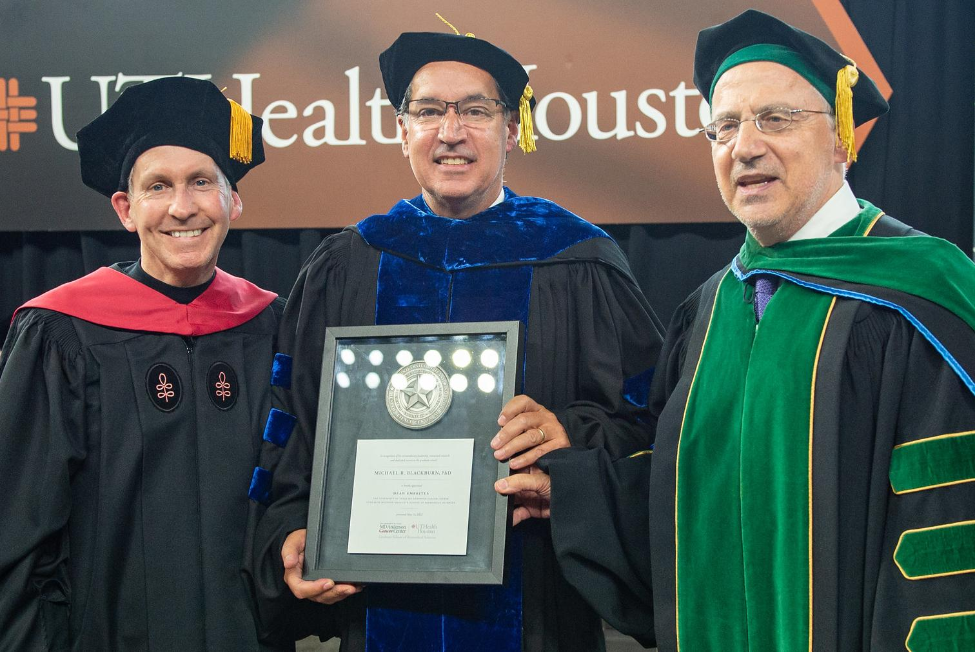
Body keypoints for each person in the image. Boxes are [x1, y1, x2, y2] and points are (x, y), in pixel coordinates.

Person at [496, 9, 975, 651]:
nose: (744, 146)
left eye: (774, 119)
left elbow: (946, 526)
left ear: (841, 136)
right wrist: (576, 490)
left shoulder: (919, 294)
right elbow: (679, 499)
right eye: (723, 127)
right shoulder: (707, 311)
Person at [248, 20, 663, 652]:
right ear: (401, 130)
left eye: (475, 110)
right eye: (429, 112)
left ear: (511, 128)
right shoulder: (349, 264)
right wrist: (288, 528)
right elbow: (295, 422)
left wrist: (569, 436)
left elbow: (652, 421)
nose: (451, 132)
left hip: (535, 598)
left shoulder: (578, 261)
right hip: (379, 600)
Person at [0, 77, 289, 650]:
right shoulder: (63, 333)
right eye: (159, 187)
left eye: (202, 182)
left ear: (232, 200)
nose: (183, 207)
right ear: (126, 209)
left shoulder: (271, 325)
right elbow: (16, 530)